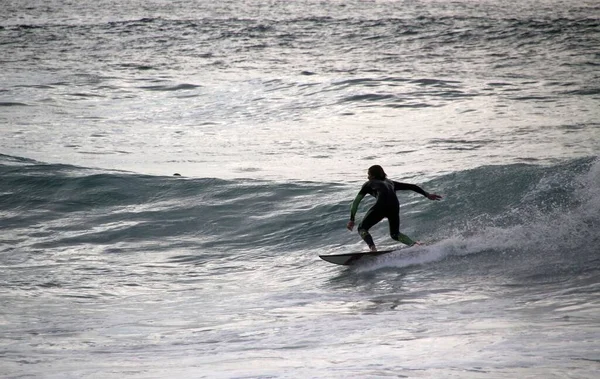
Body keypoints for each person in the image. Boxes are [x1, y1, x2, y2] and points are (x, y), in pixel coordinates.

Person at [346, 165, 442, 252]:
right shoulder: (391, 183)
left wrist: (352, 219)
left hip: (381, 205)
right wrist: (427, 194)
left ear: (373, 176)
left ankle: (373, 248)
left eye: (369, 174)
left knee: (362, 228)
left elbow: (356, 202)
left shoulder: (369, 184)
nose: (367, 177)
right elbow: (412, 186)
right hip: (394, 207)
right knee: (395, 234)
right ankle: (415, 245)